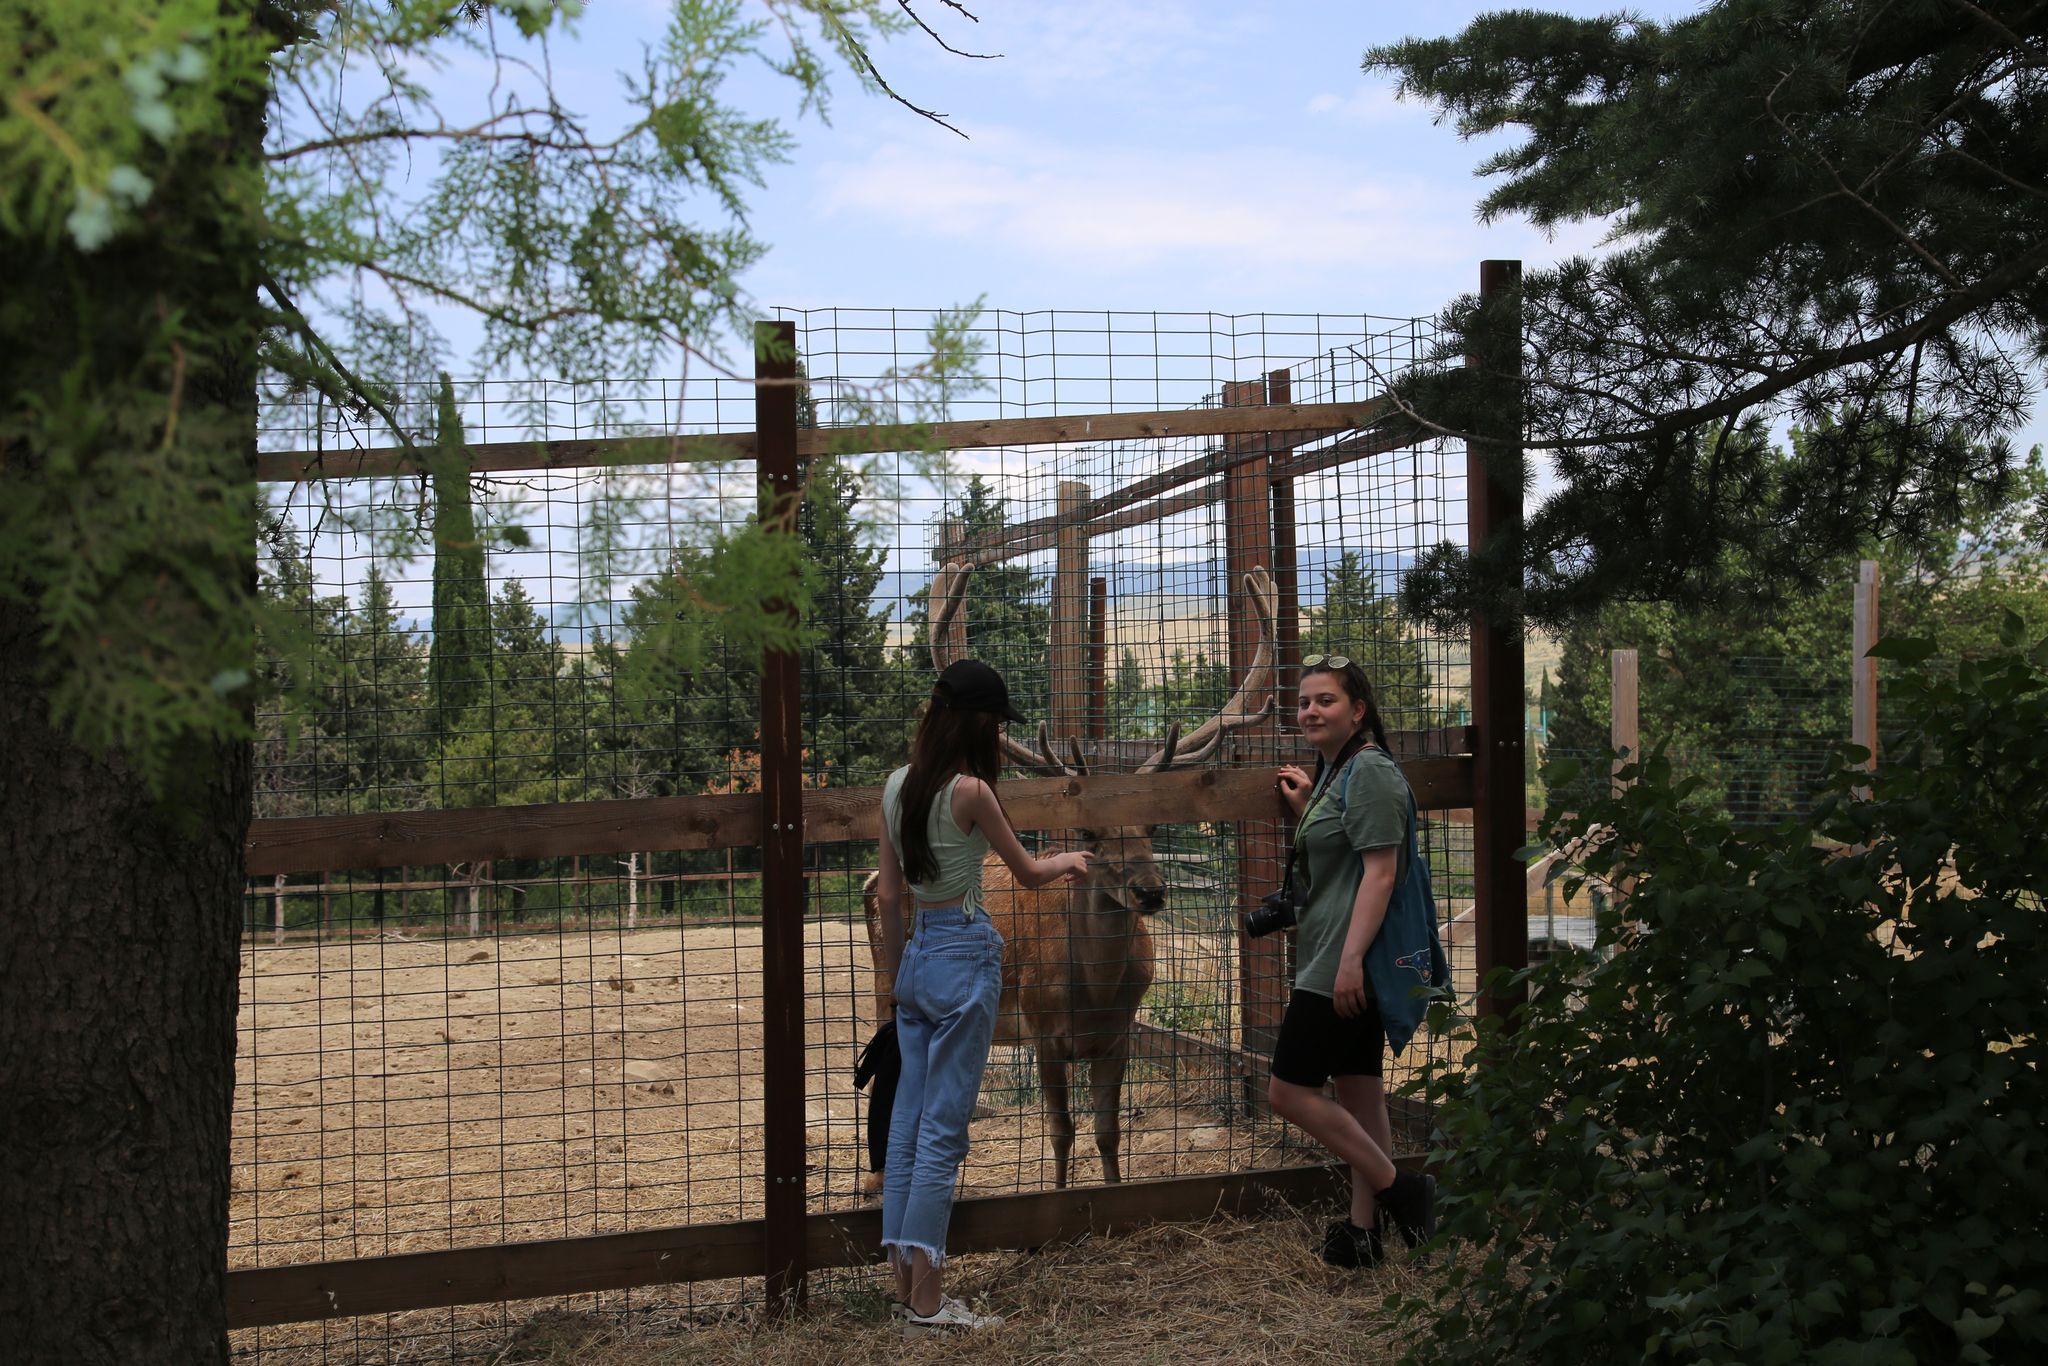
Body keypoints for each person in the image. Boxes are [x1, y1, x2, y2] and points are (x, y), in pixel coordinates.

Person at [874, 658, 1093, 1334]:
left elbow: (888, 896)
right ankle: (930, 1304)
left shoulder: (896, 785)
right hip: (965, 954)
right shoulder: (971, 792)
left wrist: (896, 982)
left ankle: (905, 1289)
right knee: (943, 1131)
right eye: (997, 724)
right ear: (975, 723)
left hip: (916, 958)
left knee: (908, 1128)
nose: (1000, 736)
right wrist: (1070, 860)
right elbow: (1026, 873)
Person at [1270, 653, 1436, 1269]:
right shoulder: (1341, 772)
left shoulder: (1369, 771)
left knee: (1288, 1092)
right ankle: (1363, 1234)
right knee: (1361, 1093)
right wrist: (1310, 806)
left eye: (1326, 700)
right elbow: (1348, 845)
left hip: (1342, 961)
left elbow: (1382, 872)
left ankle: (1402, 1190)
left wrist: (1349, 962)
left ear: (1358, 709)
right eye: (1304, 702)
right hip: (1336, 952)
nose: (1311, 711)